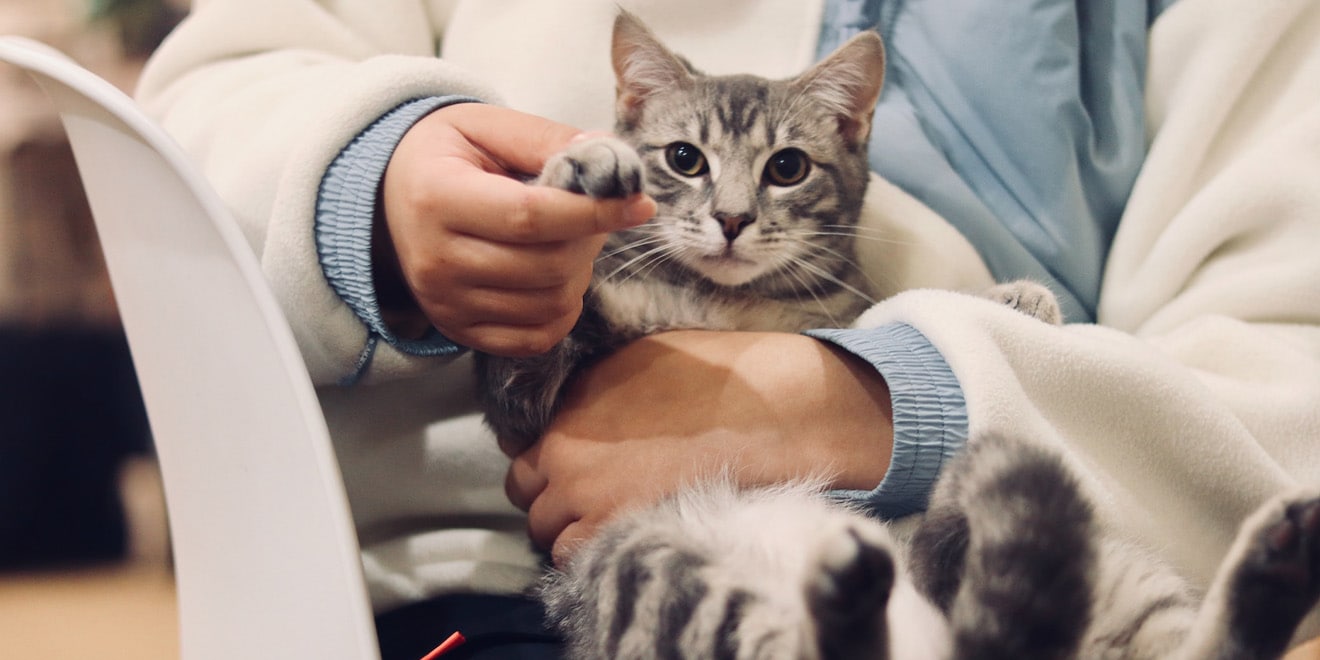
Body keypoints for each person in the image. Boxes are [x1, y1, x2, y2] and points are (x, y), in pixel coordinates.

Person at [137, 0, 1320, 657]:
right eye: (692, 166)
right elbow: (203, 98)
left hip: (974, 557)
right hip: (488, 578)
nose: (733, 210)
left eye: (785, 172)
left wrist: (889, 396)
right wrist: (379, 179)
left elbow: (1286, 367)